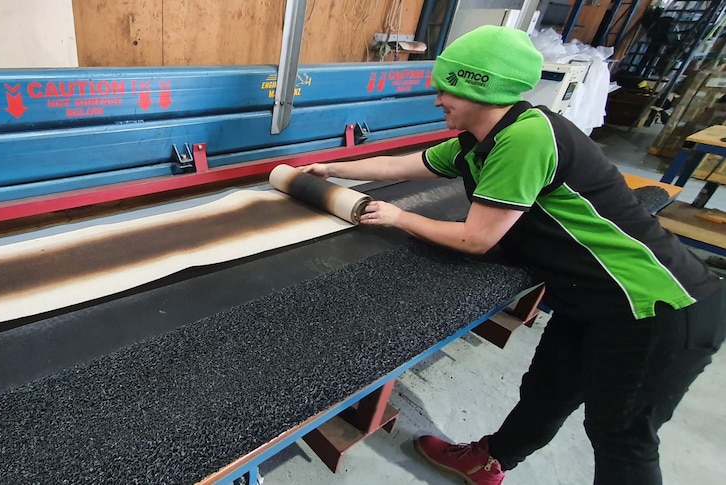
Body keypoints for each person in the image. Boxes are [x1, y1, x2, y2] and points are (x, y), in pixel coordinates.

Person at [300, 25, 726, 485]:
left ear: (479, 88)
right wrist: (329, 168)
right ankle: (488, 464)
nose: (438, 100)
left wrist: (398, 217)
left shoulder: (526, 139)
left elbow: (475, 239)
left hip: (655, 308)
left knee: (622, 440)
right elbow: (409, 164)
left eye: (447, 90)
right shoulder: (482, 139)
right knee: (546, 393)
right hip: (592, 301)